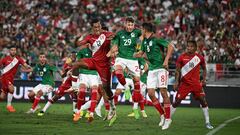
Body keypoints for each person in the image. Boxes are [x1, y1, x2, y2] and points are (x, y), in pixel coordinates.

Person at [71, 18, 115, 126]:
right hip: (89, 69)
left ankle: (94, 112)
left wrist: (114, 51)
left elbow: (117, 38)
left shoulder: (107, 34)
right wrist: (77, 39)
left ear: (101, 26)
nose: (97, 29)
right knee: (82, 91)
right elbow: (77, 44)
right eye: (95, 27)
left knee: (101, 90)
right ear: (92, 28)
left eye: (99, 26)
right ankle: (78, 111)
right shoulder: (89, 38)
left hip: (100, 68)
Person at [134, 22, 174, 130]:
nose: (141, 31)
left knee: (163, 92)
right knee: (151, 93)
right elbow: (141, 52)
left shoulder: (156, 39)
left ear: (145, 29)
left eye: (142, 29)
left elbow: (170, 46)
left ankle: (168, 119)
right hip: (152, 69)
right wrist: (137, 54)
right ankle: (162, 115)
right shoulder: (144, 41)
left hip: (161, 68)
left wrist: (166, 60)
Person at [107, 17, 144, 118]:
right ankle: (126, 87)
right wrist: (112, 51)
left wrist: (138, 47)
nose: (130, 27)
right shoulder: (119, 33)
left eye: (131, 25)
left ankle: (135, 108)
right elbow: (114, 45)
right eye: (128, 25)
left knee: (137, 83)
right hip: (121, 58)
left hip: (133, 60)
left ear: (134, 25)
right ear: (125, 24)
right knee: (118, 72)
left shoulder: (138, 32)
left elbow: (141, 38)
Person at [172, 40, 214, 129]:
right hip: (185, 84)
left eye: (191, 46)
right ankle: (168, 119)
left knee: (203, 101)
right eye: (188, 46)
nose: (189, 48)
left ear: (195, 48)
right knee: (176, 101)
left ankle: (207, 122)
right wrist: (176, 82)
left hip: (196, 84)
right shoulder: (181, 57)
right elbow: (177, 71)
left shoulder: (199, 57)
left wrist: (204, 80)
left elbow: (204, 69)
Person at [37, 51, 77, 116]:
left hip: (75, 82)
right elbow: (63, 74)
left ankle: (75, 112)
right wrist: (66, 73)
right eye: (72, 56)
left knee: (75, 97)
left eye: (74, 56)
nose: (73, 57)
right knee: (56, 96)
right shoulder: (67, 62)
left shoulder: (79, 62)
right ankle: (43, 110)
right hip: (66, 83)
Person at [0, 45, 32, 112]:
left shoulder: (18, 59)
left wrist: (28, 67)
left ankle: (8, 105)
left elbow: (25, 65)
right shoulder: (5, 59)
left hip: (11, 79)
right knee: (12, 89)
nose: (13, 51)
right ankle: (9, 106)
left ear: (16, 51)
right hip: (4, 78)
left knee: (2, 97)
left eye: (14, 50)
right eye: (12, 50)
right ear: (9, 51)